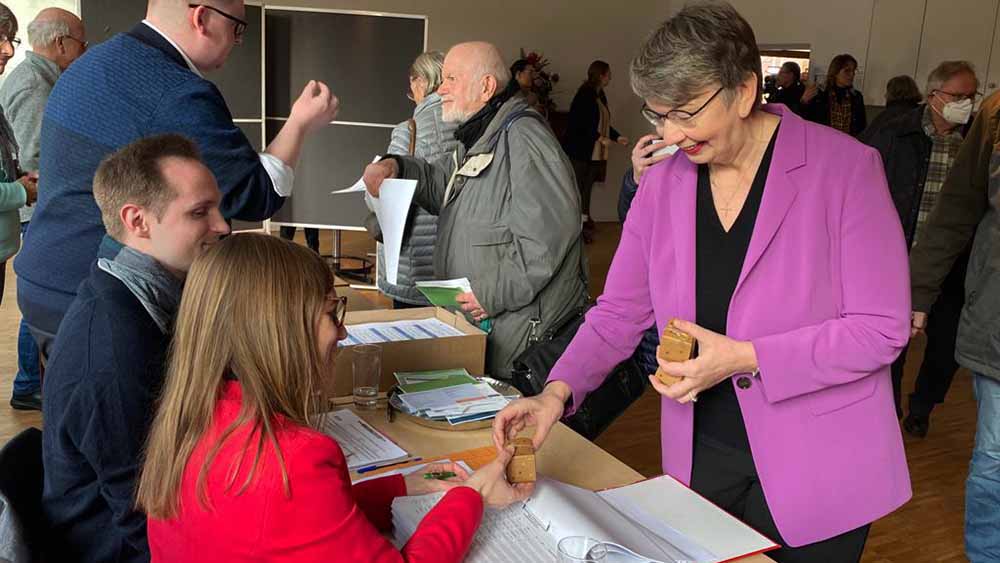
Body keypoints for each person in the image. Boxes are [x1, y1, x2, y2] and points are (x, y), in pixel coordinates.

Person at [494, 3, 911, 561]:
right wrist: (555, 393)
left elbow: (881, 329)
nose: (670, 133)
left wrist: (744, 356)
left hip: (820, 458)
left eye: (685, 113)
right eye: (658, 115)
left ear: (743, 91)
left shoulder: (846, 170)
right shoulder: (664, 185)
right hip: (703, 449)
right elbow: (619, 312)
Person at [137, 233, 532, 562]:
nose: (342, 334)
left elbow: (294, 521)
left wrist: (397, 487)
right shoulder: (294, 459)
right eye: (331, 313)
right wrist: (473, 494)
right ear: (283, 330)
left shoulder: (189, 419)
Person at [15, 0, 339, 358]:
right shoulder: (176, 92)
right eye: (238, 28)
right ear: (201, 18)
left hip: (44, 278)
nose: (237, 41)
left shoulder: (90, 64)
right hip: (106, 298)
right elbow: (255, 194)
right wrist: (300, 124)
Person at [41, 134, 230, 562]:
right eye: (200, 212)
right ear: (138, 221)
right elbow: (145, 521)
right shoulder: (112, 352)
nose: (222, 225)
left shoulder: (146, 298)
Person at [363, 42, 587, 380]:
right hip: (494, 322)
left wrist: (490, 293)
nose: (441, 88)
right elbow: (450, 192)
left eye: (451, 78)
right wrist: (402, 168)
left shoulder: (524, 137)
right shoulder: (484, 134)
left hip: (518, 330)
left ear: (486, 87)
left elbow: (546, 240)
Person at [909, 86, 1000, 563]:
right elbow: (957, 209)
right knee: (995, 464)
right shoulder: (997, 111)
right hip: (998, 327)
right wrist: (919, 289)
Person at [862, 61, 977, 436]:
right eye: (958, 96)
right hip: (896, 259)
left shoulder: (975, 141)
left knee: (945, 346)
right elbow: (860, 182)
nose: (966, 104)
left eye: (971, 97)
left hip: (954, 264)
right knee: (893, 341)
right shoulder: (894, 131)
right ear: (934, 97)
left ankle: (922, 406)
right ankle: (887, 412)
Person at [0, 7, 87, 412]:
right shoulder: (36, 86)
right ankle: (30, 383)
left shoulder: (34, 78)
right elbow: (35, 159)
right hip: (37, 211)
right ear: (60, 43)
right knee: (40, 298)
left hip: (28, 211)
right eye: (81, 44)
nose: (84, 52)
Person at [373, 50, 458, 309]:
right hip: (455, 254)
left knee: (412, 335)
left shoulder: (409, 131)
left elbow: (385, 191)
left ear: (422, 81)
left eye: (412, 83)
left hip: (414, 260)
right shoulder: (466, 127)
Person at [563, 60, 629, 242]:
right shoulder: (585, 94)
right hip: (581, 151)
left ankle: (583, 225)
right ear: (601, 75)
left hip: (593, 153)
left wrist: (617, 137)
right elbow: (580, 123)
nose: (610, 77)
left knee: (586, 190)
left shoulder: (600, 95)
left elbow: (603, 124)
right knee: (578, 189)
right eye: (608, 73)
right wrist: (600, 138)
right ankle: (576, 230)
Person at [802, 53, 868, 136]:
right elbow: (806, 120)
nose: (852, 75)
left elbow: (861, 126)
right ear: (835, 72)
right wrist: (804, 102)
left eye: (854, 71)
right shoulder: (820, 95)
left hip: (848, 143)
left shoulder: (856, 97)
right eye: (847, 71)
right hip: (823, 142)